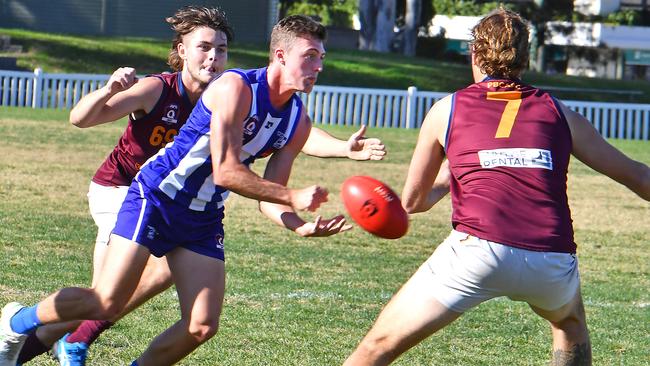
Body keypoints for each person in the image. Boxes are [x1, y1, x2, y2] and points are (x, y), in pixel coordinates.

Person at [13, 6, 386, 366]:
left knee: (202, 325)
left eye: (321, 58)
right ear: (280, 56)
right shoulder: (233, 88)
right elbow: (227, 172)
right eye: (310, 56)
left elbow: (270, 193)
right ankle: (18, 323)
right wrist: (292, 196)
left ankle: (83, 341)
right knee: (106, 300)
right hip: (155, 195)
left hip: (203, 214)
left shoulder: (297, 120)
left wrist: (297, 223)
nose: (318, 66)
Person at [343, 8, 649, 366]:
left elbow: (412, 201)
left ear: (474, 54)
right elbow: (639, 177)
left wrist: (453, 174)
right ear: (525, 58)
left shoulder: (446, 110)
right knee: (569, 322)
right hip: (550, 257)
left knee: (378, 346)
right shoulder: (560, 112)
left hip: (478, 252)